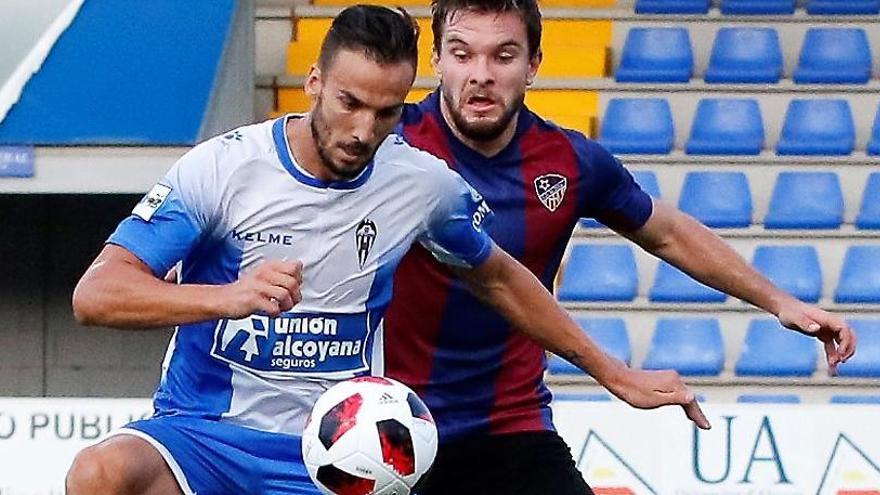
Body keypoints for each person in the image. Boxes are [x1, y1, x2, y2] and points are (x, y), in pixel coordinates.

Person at [64, 5, 707, 495]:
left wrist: (612, 371)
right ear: (314, 82)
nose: (363, 130)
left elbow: (500, 278)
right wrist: (225, 297)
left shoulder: (419, 181)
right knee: (100, 473)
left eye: (387, 112)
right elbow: (95, 295)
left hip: (338, 447)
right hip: (202, 435)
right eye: (349, 103)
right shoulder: (224, 169)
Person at [381, 1, 858, 494]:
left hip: (511, 430)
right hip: (386, 427)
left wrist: (781, 301)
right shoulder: (389, 146)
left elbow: (667, 231)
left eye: (503, 56)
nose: (480, 75)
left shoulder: (570, 160)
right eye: (462, 55)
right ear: (436, 59)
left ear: (533, 65)